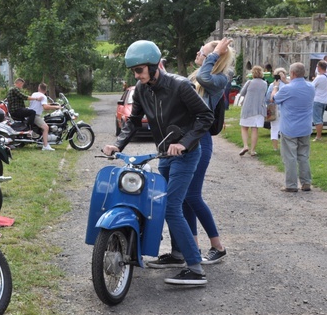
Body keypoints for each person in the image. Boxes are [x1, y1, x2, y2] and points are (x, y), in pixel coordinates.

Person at [103, 40, 214, 285]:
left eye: (139, 70)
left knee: (172, 206)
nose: (136, 75)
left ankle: (195, 268)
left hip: (186, 154)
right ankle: (177, 255)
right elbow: (132, 121)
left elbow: (206, 116)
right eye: (133, 71)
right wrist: (117, 145)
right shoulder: (142, 90)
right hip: (164, 155)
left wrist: (184, 142)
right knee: (161, 205)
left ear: (154, 66)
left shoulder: (181, 86)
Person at [183, 37, 234, 264]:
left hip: (201, 142)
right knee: (184, 198)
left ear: (212, 60)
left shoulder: (218, 79)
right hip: (187, 139)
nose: (197, 54)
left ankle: (218, 246)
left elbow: (205, 75)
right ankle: (192, 247)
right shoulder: (194, 78)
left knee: (192, 195)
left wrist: (214, 54)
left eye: (201, 53)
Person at [271, 62, 314, 192]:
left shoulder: (286, 89)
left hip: (289, 127)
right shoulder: (310, 87)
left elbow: (274, 99)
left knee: (290, 157)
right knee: (303, 156)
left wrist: (275, 87)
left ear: (292, 73)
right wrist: (286, 81)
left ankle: (291, 184)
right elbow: (297, 87)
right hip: (305, 126)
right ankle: (306, 182)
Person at [238, 65, 268, 157]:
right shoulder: (265, 83)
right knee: (255, 129)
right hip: (259, 108)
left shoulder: (249, 82)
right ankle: (253, 150)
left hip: (248, 108)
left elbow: (242, 93)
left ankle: (245, 145)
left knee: (244, 127)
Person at [29, 82, 61, 151]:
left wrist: (53, 104)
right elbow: (45, 107)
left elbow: (42, 103)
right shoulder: (43, 96)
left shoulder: (34, 94)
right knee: (46, 127)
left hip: (31, 114)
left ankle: (43, 140)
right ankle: (45, 145)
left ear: (39, 88)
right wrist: (56, 107)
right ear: (46, 90)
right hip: (35, 116)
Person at [265, 68, 290, 151]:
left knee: (274, 128)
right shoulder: (288, 85)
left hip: (275, 108)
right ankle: (285, 146)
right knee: (285, 128)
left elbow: (268, 98)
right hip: (285, 108)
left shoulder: (272, 85)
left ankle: (275, 147)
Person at [311, 60, 327, 142]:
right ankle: (319, 135)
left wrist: (315, 78)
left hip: (317, 99)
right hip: (325, 100)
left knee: (317, 119)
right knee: (320, 118)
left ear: (319, 67)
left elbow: (311, 86)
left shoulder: (319, 77)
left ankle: (318, 137)